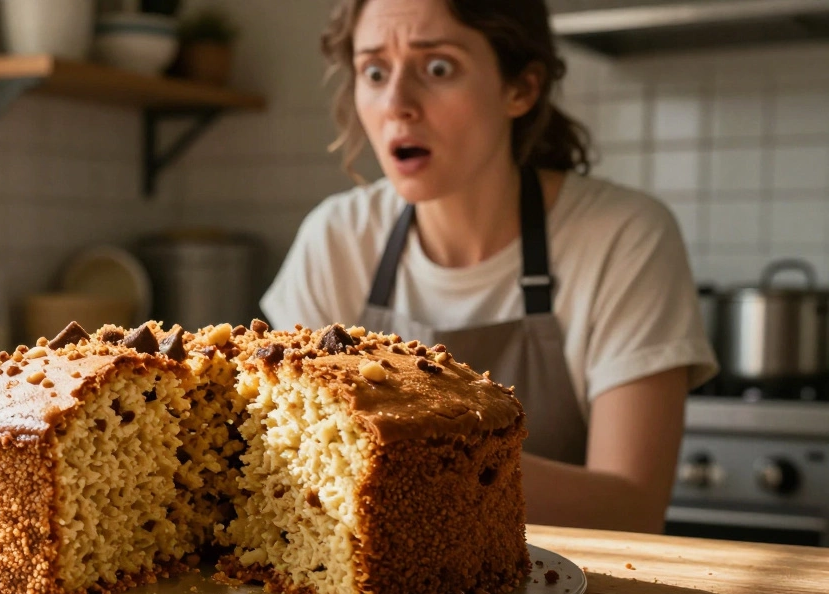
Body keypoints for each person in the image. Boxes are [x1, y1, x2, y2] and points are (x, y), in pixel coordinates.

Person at [260, 0, 717, 533]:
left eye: (438, 68)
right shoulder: (336, 239)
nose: (397, 104)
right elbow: (293, 460)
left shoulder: (623, 235)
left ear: (520, 89)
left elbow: (632, 508)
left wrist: (410, 450)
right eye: (375, 72)